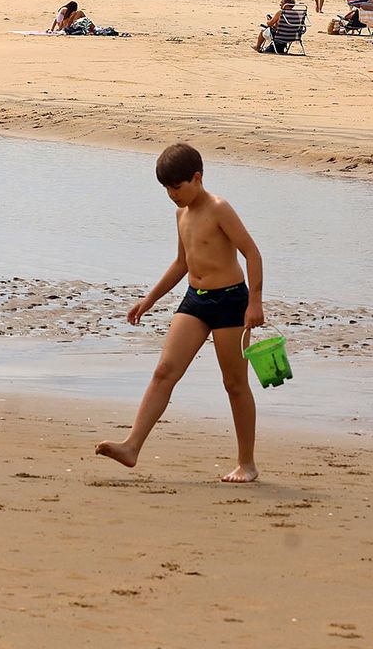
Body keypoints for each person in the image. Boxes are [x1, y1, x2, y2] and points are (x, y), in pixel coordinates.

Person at [95, 142, 264, 483]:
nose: (172, 195)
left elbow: (252, 253)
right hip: (195, 300)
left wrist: (255, 303)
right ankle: (131, 446)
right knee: (164, 371)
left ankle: (247, 463)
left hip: (231, 301)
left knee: (234, 384)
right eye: (166, 189)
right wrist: (149, 300)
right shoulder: (181, 214)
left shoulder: (219, 208)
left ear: (197, 178)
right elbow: (181, 263)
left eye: (176, 186)